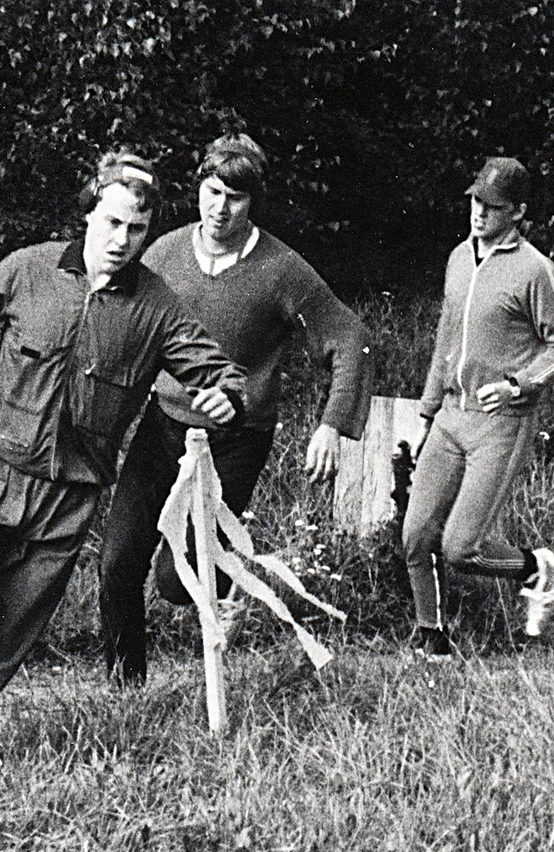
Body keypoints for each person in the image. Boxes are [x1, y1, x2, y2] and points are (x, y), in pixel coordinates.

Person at [0, 150, 250, 792]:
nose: (121, 241)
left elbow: (217, 368)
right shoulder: (28, 269)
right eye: (111, 223)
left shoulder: (157, 308)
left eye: (136, 230)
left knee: (5, 638)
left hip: (69, 499)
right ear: (88, 215)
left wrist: (226, 395)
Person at [98, 133, 373, 685]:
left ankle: (227, 584)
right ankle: (125, 690)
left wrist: (332, 425)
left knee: (179, 583)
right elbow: (117, 325)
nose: (220, 207)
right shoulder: (164, 254)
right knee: (117, 564)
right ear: (199, 188)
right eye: (212, 190)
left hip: (236, 439)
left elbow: (350, 337)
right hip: (164, 427)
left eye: (236, 197)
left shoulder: (280, 269)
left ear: (253, 202)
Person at [403, 156, 554, 659]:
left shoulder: (535, 270)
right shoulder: (460, 257)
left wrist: (517, 385)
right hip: (449, 418)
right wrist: (426, 410)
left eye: (493, 206)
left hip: (500, 424)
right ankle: (432, 638)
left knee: (462, 549)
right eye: (476, 201)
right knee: (416, 535)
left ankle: (533, 567)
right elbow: (445, 338)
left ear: (518, 212)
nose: (479, 213)